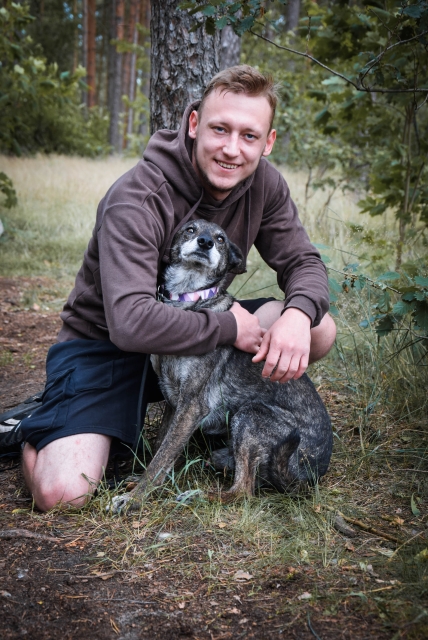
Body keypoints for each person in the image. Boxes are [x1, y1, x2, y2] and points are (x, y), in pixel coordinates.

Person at [18, 65, 336, 511]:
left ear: (267, 142)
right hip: (107, 344)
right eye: (220, 129)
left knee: (318, 328)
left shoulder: (264, 184)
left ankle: (217, 421)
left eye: (248, 136)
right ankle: (39, 422)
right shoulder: (138, 197)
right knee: (61, 494)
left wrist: (298, 316)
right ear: (193, 124)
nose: (232, 149)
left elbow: (304, 261)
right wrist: (229, 327)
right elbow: (130, 323)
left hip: (195, 330)